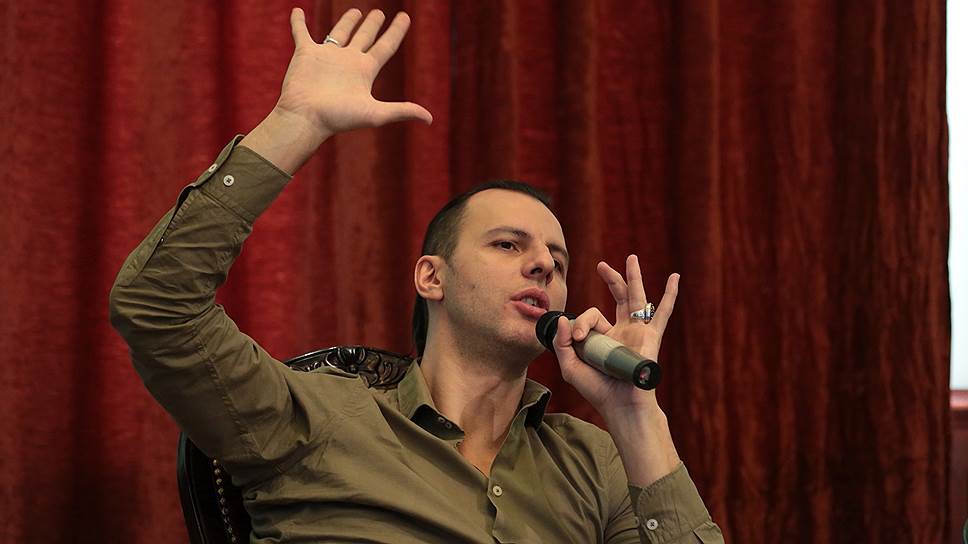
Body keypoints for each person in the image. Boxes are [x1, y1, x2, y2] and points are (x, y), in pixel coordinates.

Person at [109, 7, 723, 543]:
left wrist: (636, 414)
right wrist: (294, 125)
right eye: (507, 244)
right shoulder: (313, 418)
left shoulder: (594, 461)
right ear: (432, 277)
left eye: (558, 262)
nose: (543, 263)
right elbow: (157, 307)